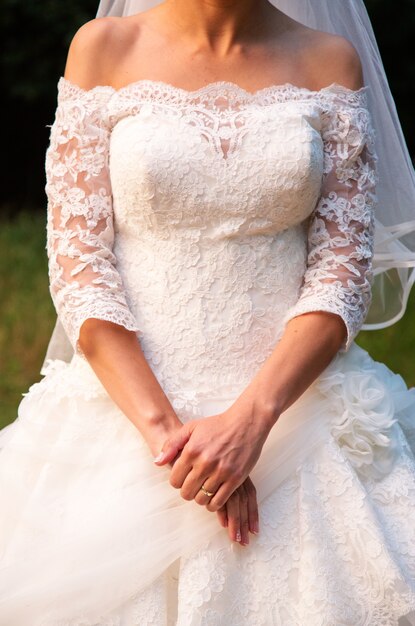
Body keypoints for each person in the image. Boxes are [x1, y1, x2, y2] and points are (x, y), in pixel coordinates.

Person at [0, 0, 415, 624]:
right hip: (133, 410)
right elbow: (80, 262)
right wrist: (172, 443)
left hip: (293, 412)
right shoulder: (103, 49)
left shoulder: (329, 61)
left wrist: (251, 423)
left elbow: (341, 273)